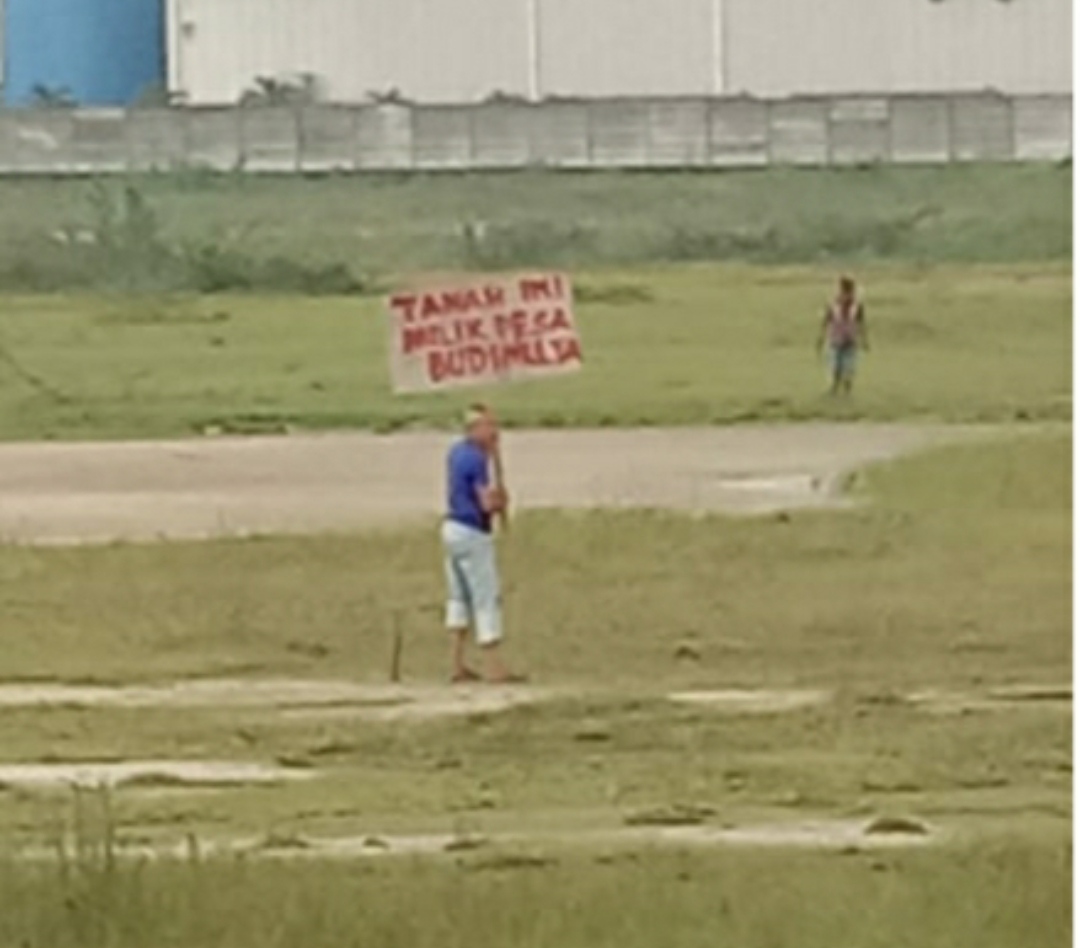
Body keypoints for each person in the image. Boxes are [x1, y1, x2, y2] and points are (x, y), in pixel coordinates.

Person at [441, 403, 524, 684]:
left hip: (451, 528)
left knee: (458, 598)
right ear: (475, 429)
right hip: (472, 531)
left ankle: (456, 662)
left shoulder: (456, 453)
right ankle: (493, 666)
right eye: (489, 427)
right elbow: (485, 501)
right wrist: (500, 500)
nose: (494, 432)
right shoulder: (476, 460)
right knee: (485, 596)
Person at [817, 276, 870, 396]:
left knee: (849, 369)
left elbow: (861, 324)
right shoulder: (833, 305)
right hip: (835, 340)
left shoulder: (857, 306)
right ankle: (834, 389)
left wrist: (864, 339)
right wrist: (821, 338)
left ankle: (847, 391)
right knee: (835, 367)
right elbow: (826, 322)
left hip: (850, 341)